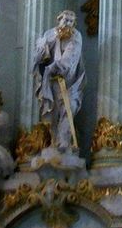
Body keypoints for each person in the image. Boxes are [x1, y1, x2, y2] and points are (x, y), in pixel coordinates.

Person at [32, 9, 85, 155]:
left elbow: (70, 58)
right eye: (65, 20)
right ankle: (54, 142)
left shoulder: (76, 36)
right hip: (51, 82)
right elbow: (39, 54)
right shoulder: (50, 34)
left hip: (71, 83)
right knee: (52, 111)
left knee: (69, 109)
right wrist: (43, 50)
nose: (67, 23)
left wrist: (55, 67)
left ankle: (64, 141)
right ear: (59, 20)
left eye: (71, 21)